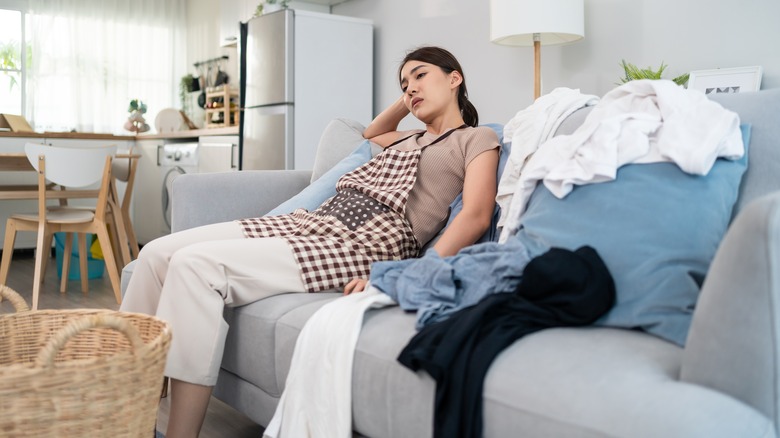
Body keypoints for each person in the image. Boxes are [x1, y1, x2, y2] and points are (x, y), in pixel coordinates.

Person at [119, 46, 500, 438]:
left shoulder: (476, 138)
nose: (410, 89)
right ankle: (124, 419)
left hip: (366, 241)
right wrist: (409, 99)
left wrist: (410, 274)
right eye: (404, 83)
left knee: (193, 267)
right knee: (156, 253)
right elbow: (369, 135)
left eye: (420, 76)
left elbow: (475, 214)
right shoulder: (405, 138)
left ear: (455, 77)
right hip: (314, 221)